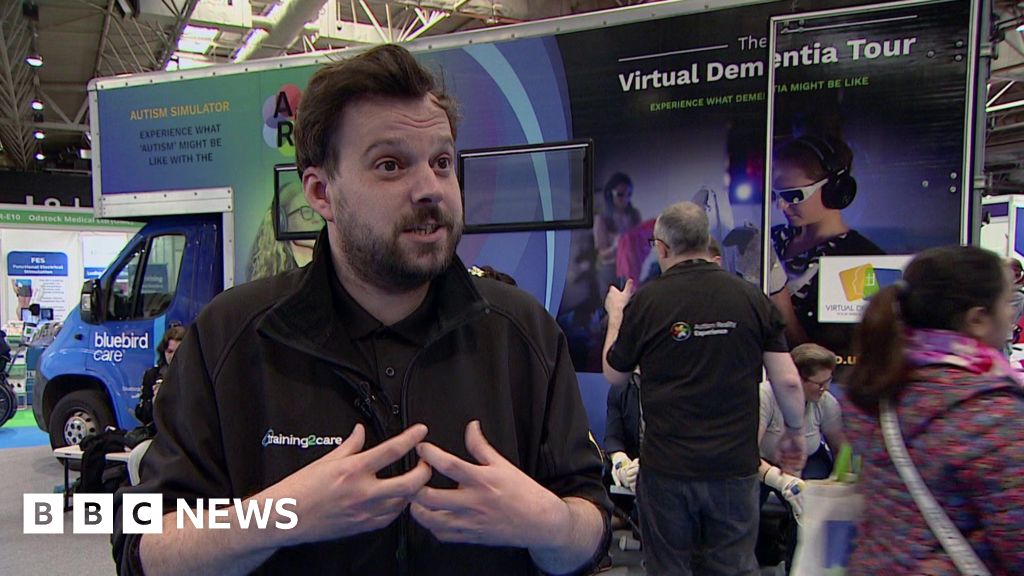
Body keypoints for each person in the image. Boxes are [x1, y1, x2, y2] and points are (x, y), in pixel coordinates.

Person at [112, 44, 609, 576]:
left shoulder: (523, 334)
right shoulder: (230, 338)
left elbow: (592, 527)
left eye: (442, 163)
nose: (430, 189)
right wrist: (278, 517)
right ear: (321, 192)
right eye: (390, 165)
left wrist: (548, 524)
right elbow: (141, 548)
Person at [602, 201, 806, 576]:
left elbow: (615, 374)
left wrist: (616, 313)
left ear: (662, 247)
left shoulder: (647, 301)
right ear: (704, 239)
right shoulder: (751, 298)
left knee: (668, 569)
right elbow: (789, 380)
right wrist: (794, 431)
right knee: (733, 568)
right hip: (733, 469)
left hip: (666, 470)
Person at [845, 245, 1024, 574]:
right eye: (1007, 302)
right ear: (978, 319)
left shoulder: (880, 388)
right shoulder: (990, 413)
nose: (1012, 315)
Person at [770, 134, 883, 352]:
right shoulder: (771, 240)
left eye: (794, 195)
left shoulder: (863, 261)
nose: (781, 206)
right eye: (776, 195)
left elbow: (834, 360)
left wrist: (778, 296)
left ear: (834, 190)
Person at [593, 173, 642, 296]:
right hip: (610, 269)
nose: (625, 199)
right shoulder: (602, 219)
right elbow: (602, 254)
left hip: (630, 269)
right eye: (620, 195)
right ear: (610, 194)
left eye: (629, 195)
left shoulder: (634, 215)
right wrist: (616, 247)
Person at [133, 326, 186, 432]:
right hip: (158, 433)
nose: (173, 356)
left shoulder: (194, 376)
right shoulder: (152, 375)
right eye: (169, 351)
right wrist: (154, 402)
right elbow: (142, 415)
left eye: (177, 352)